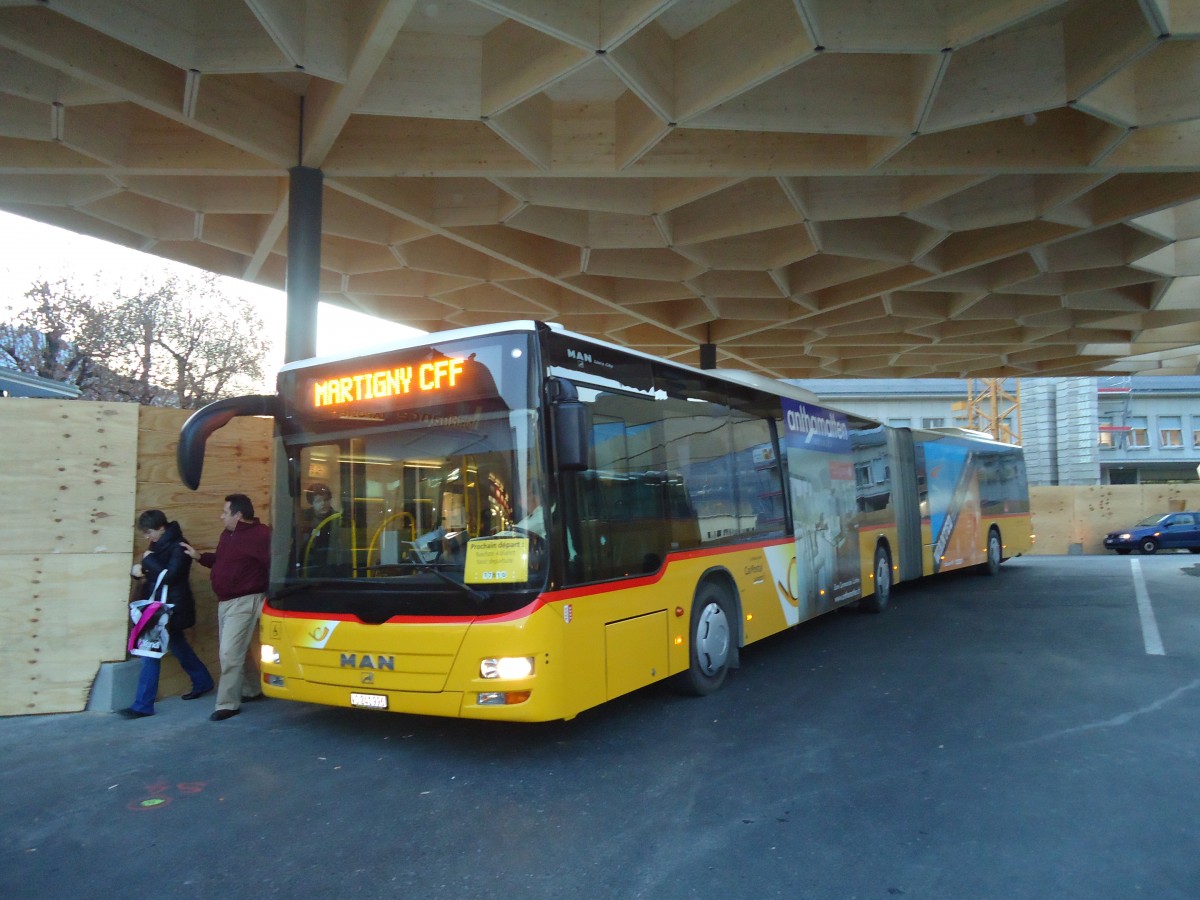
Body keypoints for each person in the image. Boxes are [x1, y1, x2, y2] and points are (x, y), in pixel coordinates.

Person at [182, 493, 272, 722]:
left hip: (246, 600)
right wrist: (199, 556)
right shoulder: (228, 535)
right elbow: (222, 562)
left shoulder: (261, 536)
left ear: (238, 515)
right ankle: (252, 689)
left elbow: (274, 564)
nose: (221, 516)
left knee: (229, 653)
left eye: (225, 512)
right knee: (237, 649)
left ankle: (227, 703)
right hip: (226, 602)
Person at [118, 510, 214, 719]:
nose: (147, 537)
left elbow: (170, 575)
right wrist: (139, 570)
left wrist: (148, 560)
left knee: (150, 654)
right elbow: (156, 571)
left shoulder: (179, 547)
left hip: (169, 608)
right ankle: (202, 680)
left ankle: (143, 705)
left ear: (161, 528)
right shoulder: (160, 544)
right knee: (177, 646)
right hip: (164, 606)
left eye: (149, 532)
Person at [299, 482, 340, 573]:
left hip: (330, 566)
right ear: (311, 503)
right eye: (318, 501)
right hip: (306, 565)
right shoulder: (304, 518)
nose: (323, 504)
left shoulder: (337, 518)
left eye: (326, 500)